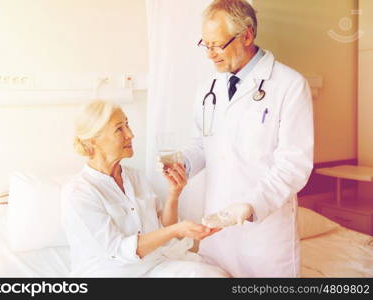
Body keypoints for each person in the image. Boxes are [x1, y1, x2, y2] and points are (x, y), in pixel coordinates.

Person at [167, 0, 314, 277]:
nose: (210, 54)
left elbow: (295, 165)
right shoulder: (208, 88)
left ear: (246, 36)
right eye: (205, 44)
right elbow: (202, 144)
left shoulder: (289, 85)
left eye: (217, 45)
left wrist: (250, 205)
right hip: (217, 227)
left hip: (264, 233)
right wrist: (182, 164)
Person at [61, 100, 229, 277]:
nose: (130, 134)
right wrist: (176, 229)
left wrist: (174, 193)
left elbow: (164, 230)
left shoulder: (136, 177)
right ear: (94, 140)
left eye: (127, 125)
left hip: (153, 266)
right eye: (119, 129)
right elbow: (117, 250)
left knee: (215, 276)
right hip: (110, 274)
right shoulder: (79, 193)